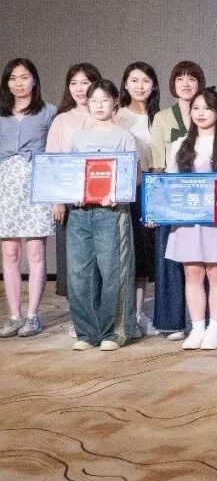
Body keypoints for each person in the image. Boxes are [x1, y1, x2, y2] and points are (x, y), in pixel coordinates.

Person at [163, 88, 217, 351]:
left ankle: (214, 329)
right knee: (192, 274)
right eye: (196, 108)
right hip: (188, 221)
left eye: (207, 108)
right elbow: (168, 183)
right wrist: (158, 212)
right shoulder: (179, 144)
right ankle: (197, 328)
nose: (200, 113)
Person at [65, 80, 138, 351]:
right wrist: (72, 193)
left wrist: (116, 194)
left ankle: (114, 332)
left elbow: (132, 177)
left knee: (113, 272)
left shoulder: (124, 136)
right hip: (80, 212)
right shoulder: (78, 137)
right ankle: (87, 333)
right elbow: (70, 173)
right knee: (79, 273)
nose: (98, 105)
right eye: (94, 100)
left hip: (111, 211)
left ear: (115, 102)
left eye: (104, 100)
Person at [149, 61, 205, 341]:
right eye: (180, 78)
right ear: (172, 84)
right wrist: (156, 205)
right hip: (170, 197)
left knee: (201, 261)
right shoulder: (162, 118)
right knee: (169, 258)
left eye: (191, 78)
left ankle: (202, 321)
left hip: (202, 198)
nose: (186, 83)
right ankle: (172, 322)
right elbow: (157, 164)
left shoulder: (207, 111)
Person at [0, 58, 56, 339]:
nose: (18, 83)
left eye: (24, 77)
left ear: (34, 80)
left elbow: (55, 151)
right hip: (5, 185)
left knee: (35, 252)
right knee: (10, 253)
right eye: (12, 78)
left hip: (36, 184)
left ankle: (32, 315)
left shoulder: (49, 112)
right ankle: (14, 315)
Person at [45, 62, 101, 300]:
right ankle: (77, 312)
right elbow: (52, 161)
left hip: (100, 196)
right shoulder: (62, 120)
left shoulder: (106, 115)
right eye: (73, 83)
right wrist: (57, 200)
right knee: (73, 259)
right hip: (69, 197)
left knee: (100, 257)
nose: (79, 89)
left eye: (85, 83)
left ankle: (100, 308)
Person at [116, 61, 160, 336]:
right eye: (134, 80)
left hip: (154, 191)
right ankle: (122, 314)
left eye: (145, 81)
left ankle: (139, 313)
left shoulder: (161, 117)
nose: (140, 86)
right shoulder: (117, 116)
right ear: (125, 84)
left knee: (144, 254)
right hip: (126, 192)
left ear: (153, 85)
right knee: (126, 253)